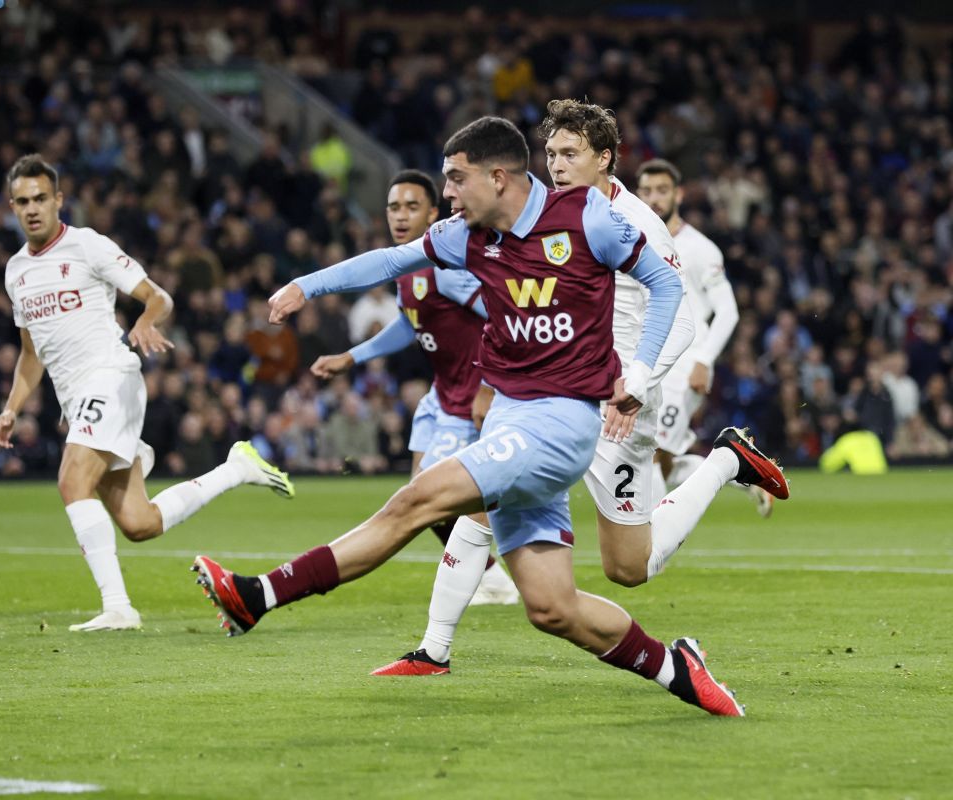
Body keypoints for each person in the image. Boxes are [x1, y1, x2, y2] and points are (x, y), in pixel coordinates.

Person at [193, 116, 745, 717]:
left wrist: (639, 373)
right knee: (552, 607)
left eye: (456, 180)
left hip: (560, 425)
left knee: (416, 500)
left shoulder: (588, 218)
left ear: (498, 177)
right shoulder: (467, 236)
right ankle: (677, 668)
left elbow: (666, 286)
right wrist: (307, 285)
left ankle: (259, 595)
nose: (448, 195)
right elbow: (388, 262)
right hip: (511, 419)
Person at [372, 101, 790, 677]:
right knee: (484, 503)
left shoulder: (638, 224)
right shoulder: (541, 212)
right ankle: (432, 650)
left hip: (623, 402)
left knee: (629, 568)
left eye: (571, 154)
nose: (558, 165)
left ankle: (724, 461)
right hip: (557, 395)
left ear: (605, 159)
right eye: (551, 153)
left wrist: (636, 386)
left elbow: (686, 322)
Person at [0, 154, 296, 632]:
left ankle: (118, 607)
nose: (33, 209)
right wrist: (11, 409)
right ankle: (237, 470)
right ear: (12, 206)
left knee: (73, 481)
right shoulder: (16, 273)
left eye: (41, 199)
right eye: (23, 202)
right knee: (138, 523)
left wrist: (145, 320)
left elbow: (159, 296)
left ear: (58, 201)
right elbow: (32, 355)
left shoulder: (87, 246)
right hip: (78, 399)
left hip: (111, 376)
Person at [310, 169, 518, 604]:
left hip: (469, 399)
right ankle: (490, 575)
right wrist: (353, 356)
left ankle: (494, 577)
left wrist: (489, 387)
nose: (401, 216)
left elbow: (504, 315)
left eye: (411, 207)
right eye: (393, 207)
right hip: (441, 395)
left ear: (433, 213)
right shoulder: (410, 266)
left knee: (432, 498)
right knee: (423, 497)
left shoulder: (446, 266)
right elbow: (412, 323)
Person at [634, 159, 770, 516]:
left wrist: (704, 360)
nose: (654, 199)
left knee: (654, 450)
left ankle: (652, 533)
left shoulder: (700, 248)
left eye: (662, 190)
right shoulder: (633, 242)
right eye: (646, 191)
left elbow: (729, 311)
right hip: (646, 361)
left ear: (678, 194)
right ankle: (740, 471)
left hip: (685, 363)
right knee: (651, 452)